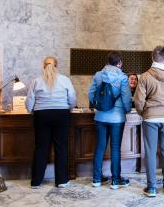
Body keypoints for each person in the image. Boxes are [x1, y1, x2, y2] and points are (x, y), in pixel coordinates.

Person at [134, 46, 164, 197]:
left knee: (150, 152)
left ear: (152, 57)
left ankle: (151, 188)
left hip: (150, 117)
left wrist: (144, 112)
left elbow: (138, 101)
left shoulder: (145, 76)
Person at [26, 56, 76, 188]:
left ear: (43, 66)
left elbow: (29, 101)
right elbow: (72, 99)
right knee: (61, 147)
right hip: (61, 114)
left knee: (41, 147)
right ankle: (62, 180)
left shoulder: (36, 81)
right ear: (57, 66)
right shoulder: (65, 80)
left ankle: (36, 181)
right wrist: (68, 109)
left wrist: (32, 111)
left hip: (41, 115)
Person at [88, 51, 132, 189]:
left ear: (107, 61)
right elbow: (126, 98)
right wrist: (127, 110)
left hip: (100, 116)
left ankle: (96, 179)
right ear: (120, 63)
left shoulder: (98, 75)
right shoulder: (122, 77)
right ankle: (115, 180)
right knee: (115, 148)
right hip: (117, 118)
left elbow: (90, 94)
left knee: (100, 147)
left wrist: (98, 105)